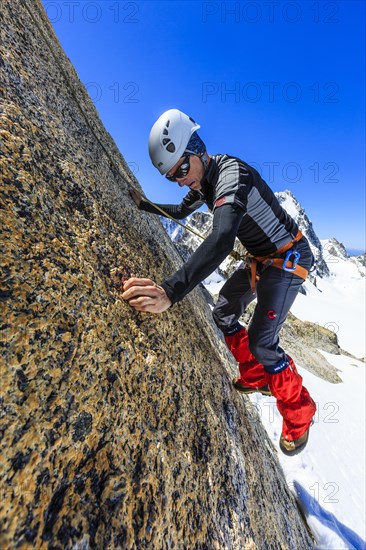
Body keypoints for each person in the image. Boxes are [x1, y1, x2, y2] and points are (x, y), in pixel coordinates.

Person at [122, 108, 316, 455]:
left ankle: (300, 416)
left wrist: (170, 290)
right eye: (171, 177)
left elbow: (223, 236)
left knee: (262, 342)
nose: (181, 180)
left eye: (181, 169)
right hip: (263, 260)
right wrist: (145, 205)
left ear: (197, 148)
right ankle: (257, 375)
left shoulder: (230, 174)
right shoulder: (204, 182)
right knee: (224, 311)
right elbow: (181, 212)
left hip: (289, 258)